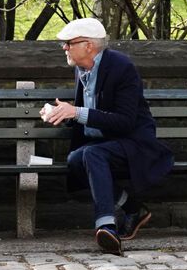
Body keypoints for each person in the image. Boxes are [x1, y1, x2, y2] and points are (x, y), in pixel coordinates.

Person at [42, 18, 174, 256]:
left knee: (92, 154)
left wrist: (78, 112)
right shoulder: (82, 69)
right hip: (103, 144)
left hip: (135, 143)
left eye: (68, 43)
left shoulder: (121, 67)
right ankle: (133, 207)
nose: (64, 48)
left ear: (88, 46)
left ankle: (107, 228)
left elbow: (125, 121)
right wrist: (65, 113)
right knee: (75, 160)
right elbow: (92, 113)